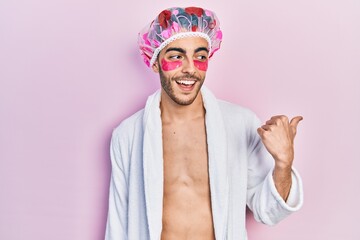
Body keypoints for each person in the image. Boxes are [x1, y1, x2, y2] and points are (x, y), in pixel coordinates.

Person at [105, 6, 304, 240]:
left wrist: (283, 163)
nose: (190, 68)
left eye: (200, 57)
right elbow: (117, 226)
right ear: (156, 62)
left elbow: (268, 211)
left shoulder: (241, 124)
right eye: (176, 56)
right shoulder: (128, 135)